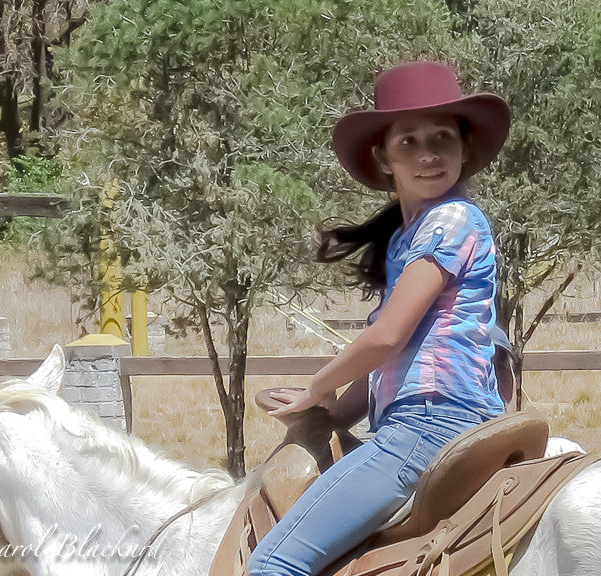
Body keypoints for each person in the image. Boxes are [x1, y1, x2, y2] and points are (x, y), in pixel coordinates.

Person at [248, 60, 511, 576]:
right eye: (408, 142)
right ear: (383, 158)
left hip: (429, 425)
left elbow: (387, 337)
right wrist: (329, 412)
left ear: (466, 150)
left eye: (442, 138)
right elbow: (392, 359)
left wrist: (315, 387)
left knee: (273, 564)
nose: (428, 154)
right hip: (426, 419)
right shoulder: (406, 240)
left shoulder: (454, 219)